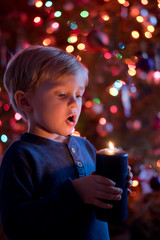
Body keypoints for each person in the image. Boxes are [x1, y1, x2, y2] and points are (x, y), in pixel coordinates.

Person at [0, 46, 132, 240]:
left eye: (78, 95)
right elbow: (15, 225)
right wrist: (74, 193)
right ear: (25, 102)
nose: (74, 104)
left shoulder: (85, 147)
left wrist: (114, 187)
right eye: (62, 94)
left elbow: (97, 204)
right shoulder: (21, 156)